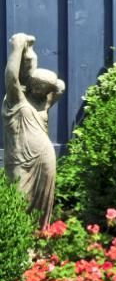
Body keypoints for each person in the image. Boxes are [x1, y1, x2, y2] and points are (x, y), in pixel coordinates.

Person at [3, 33, 64, 227]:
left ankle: (38, 245)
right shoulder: (15, 100)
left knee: (41, 209)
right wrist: (19, 48)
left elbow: (60, 87)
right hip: (20, 160)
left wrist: (30, 52)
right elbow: (12, 76)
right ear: (29, 83)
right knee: (18, 202)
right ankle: (19, 248)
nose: (39, 90)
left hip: (44, 159)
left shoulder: (43, 103)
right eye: (37, 85)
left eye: (43, 88)